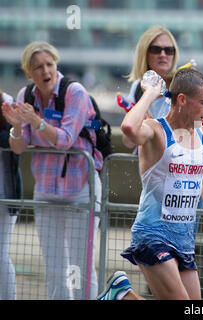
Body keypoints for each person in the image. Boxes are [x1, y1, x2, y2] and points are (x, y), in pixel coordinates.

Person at [97, 67, 203, 300]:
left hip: (184, 238)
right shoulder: (157, 131)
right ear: (182, 100)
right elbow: (128, 129)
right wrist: (150, 93)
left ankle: (122, 295)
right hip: (152, 234)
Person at [1, 41, 103, 300]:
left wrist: (37, 121)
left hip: (81, 188)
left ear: (56, 65)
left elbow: (67, 138)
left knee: (80, 268)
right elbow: (19, 147)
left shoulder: (74, 92)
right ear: (29, 73)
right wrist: (15, 127)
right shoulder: (26, 96)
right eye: (38, 67)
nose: (46, 71)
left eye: (50, 64)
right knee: (55, 268)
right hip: (46, 191)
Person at [124, 26, 203, 147]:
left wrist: (151, 126)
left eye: (169, 50)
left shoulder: (184, 85)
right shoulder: (137, 87)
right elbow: (128, 141)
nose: (163, 54)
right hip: (147, 162)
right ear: (144, 53)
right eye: (156, 49)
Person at [0, 89, 23, 300]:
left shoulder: (8, 103)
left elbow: (15, 144)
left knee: (1, 254)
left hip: (5, 195)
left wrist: (14, 126)